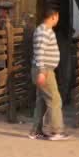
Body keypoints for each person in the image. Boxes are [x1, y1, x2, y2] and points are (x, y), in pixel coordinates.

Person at [28, 8, 69, 141]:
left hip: (43, 69)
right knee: (55, 99)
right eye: (57, 17)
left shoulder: (44, 30)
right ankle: (56, 131)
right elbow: (40, 51)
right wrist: (41, 71)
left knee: (42, 102)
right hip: (44, 70)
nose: (58, 20)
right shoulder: (44, 31)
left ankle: (35, 131)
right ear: (54, 16)